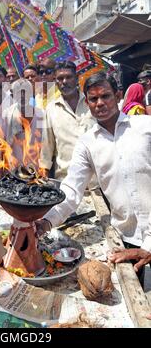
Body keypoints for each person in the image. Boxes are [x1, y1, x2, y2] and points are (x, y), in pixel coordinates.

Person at [38, 71, 151, 286]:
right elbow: (71, 191)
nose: (100, 103)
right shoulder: (87, 143)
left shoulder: (145, 127)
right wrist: (44, 223)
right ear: (87, 103)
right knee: (138, 297)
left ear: (118, 96)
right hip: (127, 237)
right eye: (93, 99)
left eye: (105, 96)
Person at [39, 61, 95, 180]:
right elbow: (47, 146)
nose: (64, 81)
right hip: (66, 180)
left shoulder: (92, 103)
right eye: (60, 78)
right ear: (56, 81)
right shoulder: (51, 109)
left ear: (77, 79)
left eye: (68, 77)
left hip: (96, 180)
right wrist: (43, 172)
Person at [2, 79, 44, 171]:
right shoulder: (7, 114)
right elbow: (3, 143)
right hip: (14, 169)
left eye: (25, 91)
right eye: (18, 92)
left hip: (36, 169)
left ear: (31, 93)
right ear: (12, 95)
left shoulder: (42, 115)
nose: (22, 96)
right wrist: (1, 167)